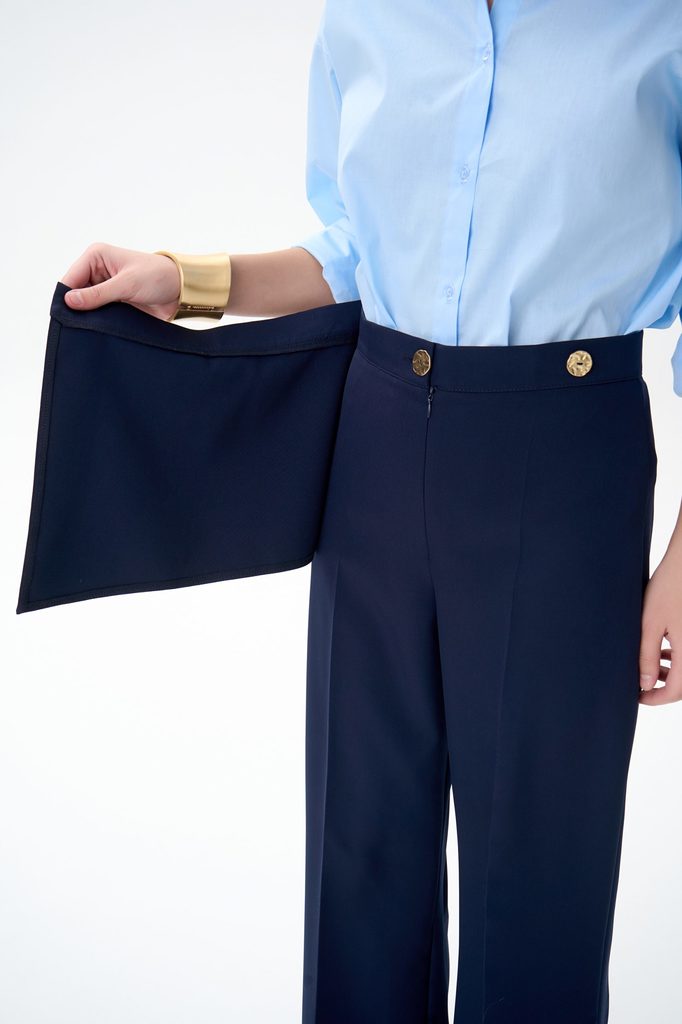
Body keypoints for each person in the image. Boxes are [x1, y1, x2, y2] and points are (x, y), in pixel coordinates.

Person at [59, 2, 681, 1021]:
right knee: (359, 856)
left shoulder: (656, 25)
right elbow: (350, 250)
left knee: (538, 881)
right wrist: (188, 280)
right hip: (378, 435)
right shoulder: (370, 15)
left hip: (567, 459)